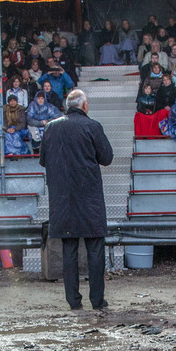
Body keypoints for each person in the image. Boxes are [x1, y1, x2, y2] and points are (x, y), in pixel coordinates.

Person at [39, 89, 114, 311]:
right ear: (84, 105)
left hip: (62, 200)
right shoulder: (92, 126)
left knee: (68, 251)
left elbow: (43, 160)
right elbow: (107, 158)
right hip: (89, 199)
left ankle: (73, 301)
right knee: (95, 250)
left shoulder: (51, 127)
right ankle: (97, 300)